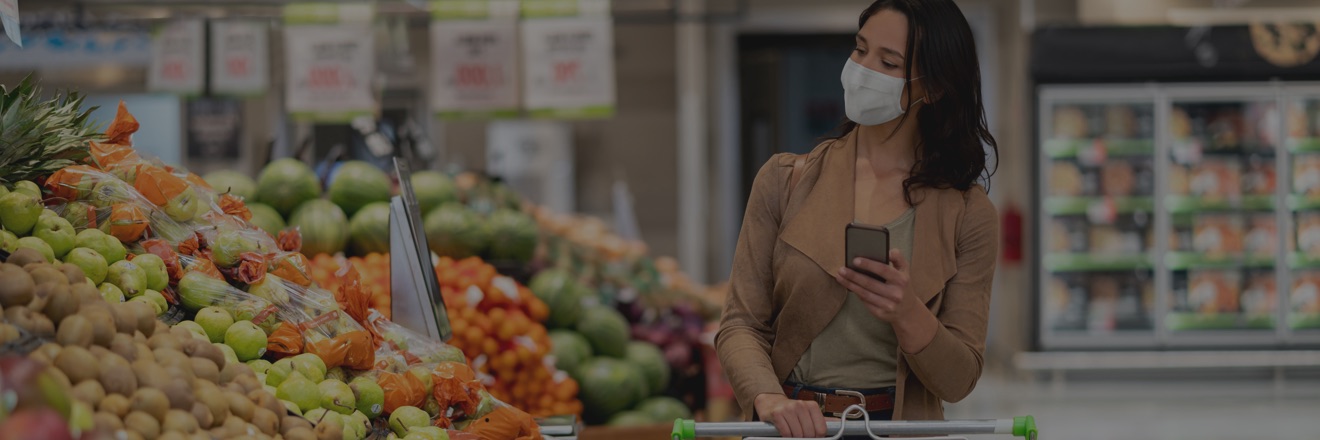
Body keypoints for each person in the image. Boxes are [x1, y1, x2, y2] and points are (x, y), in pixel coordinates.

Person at [715, 0, 1000, 437]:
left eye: (888, 61)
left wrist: (907, 312)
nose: (863, 70)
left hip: (903, 427)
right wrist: (766, 397)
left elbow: (959, 379)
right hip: (793, 427)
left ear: (935, 87)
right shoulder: (783, 181)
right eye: (859, 49)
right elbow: (741, 325)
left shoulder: (969, 213)